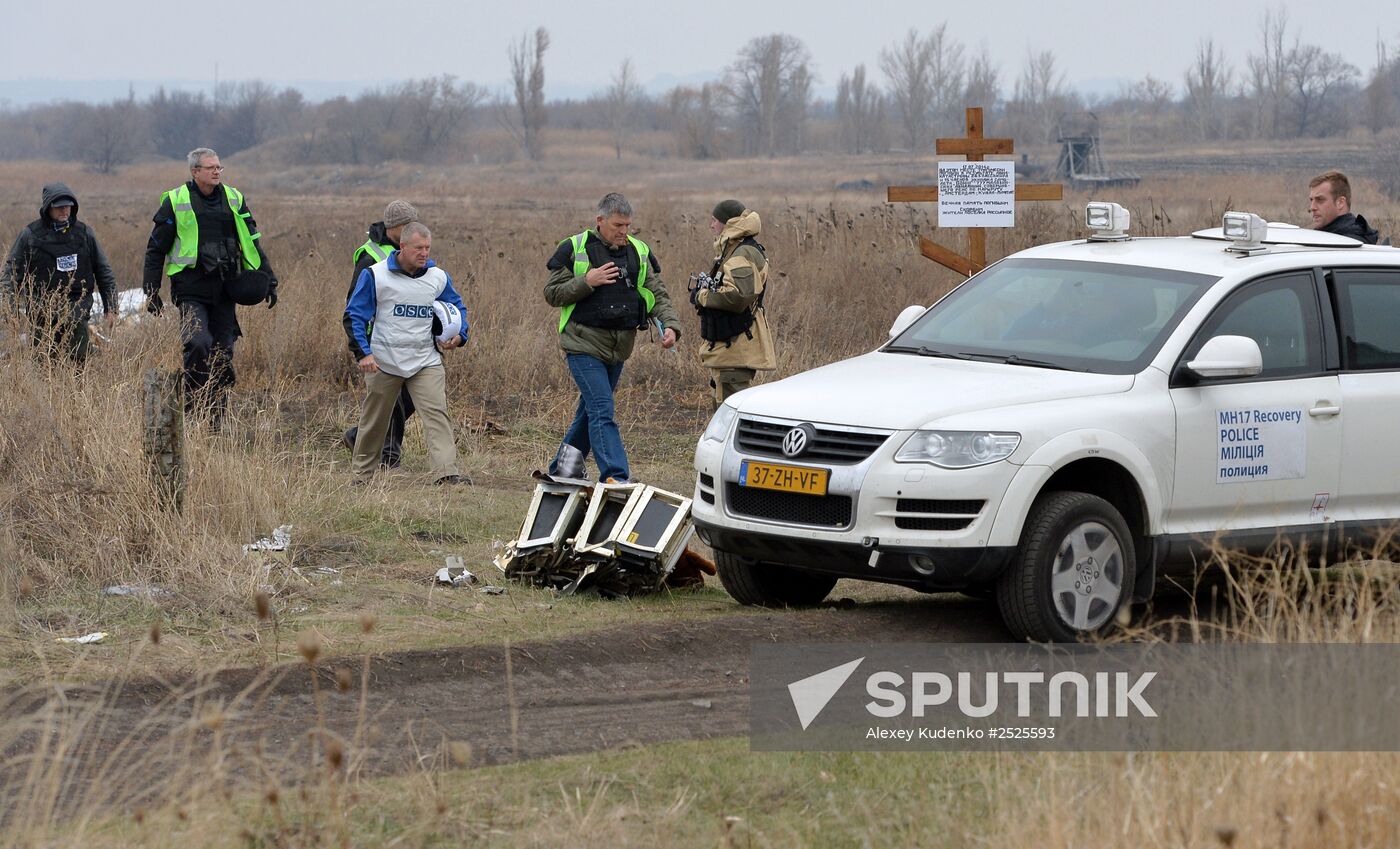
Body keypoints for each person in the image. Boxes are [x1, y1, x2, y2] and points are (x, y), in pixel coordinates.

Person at [544, 192, 682, 483]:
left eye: (628, 225)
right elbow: (552, 294)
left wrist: (670, 326)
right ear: (600, 220)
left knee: (590, 410)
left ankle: (563, 468)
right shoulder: (574, 247)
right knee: (602, 409)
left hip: (619, 348)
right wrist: (587, 281)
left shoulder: (639, 251)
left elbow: (657, 294)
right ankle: (615, 476)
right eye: (618, 225)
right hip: (582, 345)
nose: (623, 232)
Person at [142, 148, 278, 427]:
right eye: (210, 167)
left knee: (222, 353)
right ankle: (193, 409)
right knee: (197, 343)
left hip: (226, 288)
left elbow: (252, 241)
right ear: (195, 172)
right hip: (191, 288)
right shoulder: (176, 200)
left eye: (219, 167)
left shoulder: (234, 198)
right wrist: (151, 291)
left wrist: (269, 279)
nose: (217, 171)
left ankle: (215, 419)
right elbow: (156, 249)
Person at [344, 222, 470, 485]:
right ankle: (362, 475)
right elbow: (355, 315)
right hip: (383, 361)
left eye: (427, 248)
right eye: (418, 248)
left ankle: (447, 474)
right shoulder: (375, 275)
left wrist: (460, 335)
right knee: (375, 421)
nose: (424, 253)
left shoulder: (438, 277)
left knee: (437, 413)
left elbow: (457, 308)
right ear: (402, 247)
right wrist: (363, 354)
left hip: (425, 361)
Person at [1, 183, 118, 363]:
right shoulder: (30, 235)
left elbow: (104, 272)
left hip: (77, 312)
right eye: (59, 207)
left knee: (78, 363)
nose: (64, 210)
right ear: (48, 208)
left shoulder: (85, 234)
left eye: (68, 206)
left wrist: (111, 307)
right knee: (45, 365)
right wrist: (10, 313)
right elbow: (10, 274)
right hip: (42, 315)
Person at [341, 199, 421, 467]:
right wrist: (362, 348)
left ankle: (358, 436)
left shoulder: (410, 249)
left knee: (410, 397)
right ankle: (388, 456)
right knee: (393, 398)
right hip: (378, 340)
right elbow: (353, 305)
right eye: (408, 225)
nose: (414, 230)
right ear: (394, 227)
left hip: (409, 340)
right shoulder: (370, 255)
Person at [691, 199, 776, 408]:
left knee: (731, 412)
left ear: (728, 223)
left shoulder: (741, 253)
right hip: (730, 345)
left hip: (737, 344)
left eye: (714, 221)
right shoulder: (736, 249)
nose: (711, 225)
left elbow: (738, 296)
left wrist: (702, 295)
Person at [1308, 171, 1380, 244]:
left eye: (1320, 199)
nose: (1312, 207)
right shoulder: (1328, 238)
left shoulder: (1350, 245)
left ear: (1340, 203)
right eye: (1311, 200)